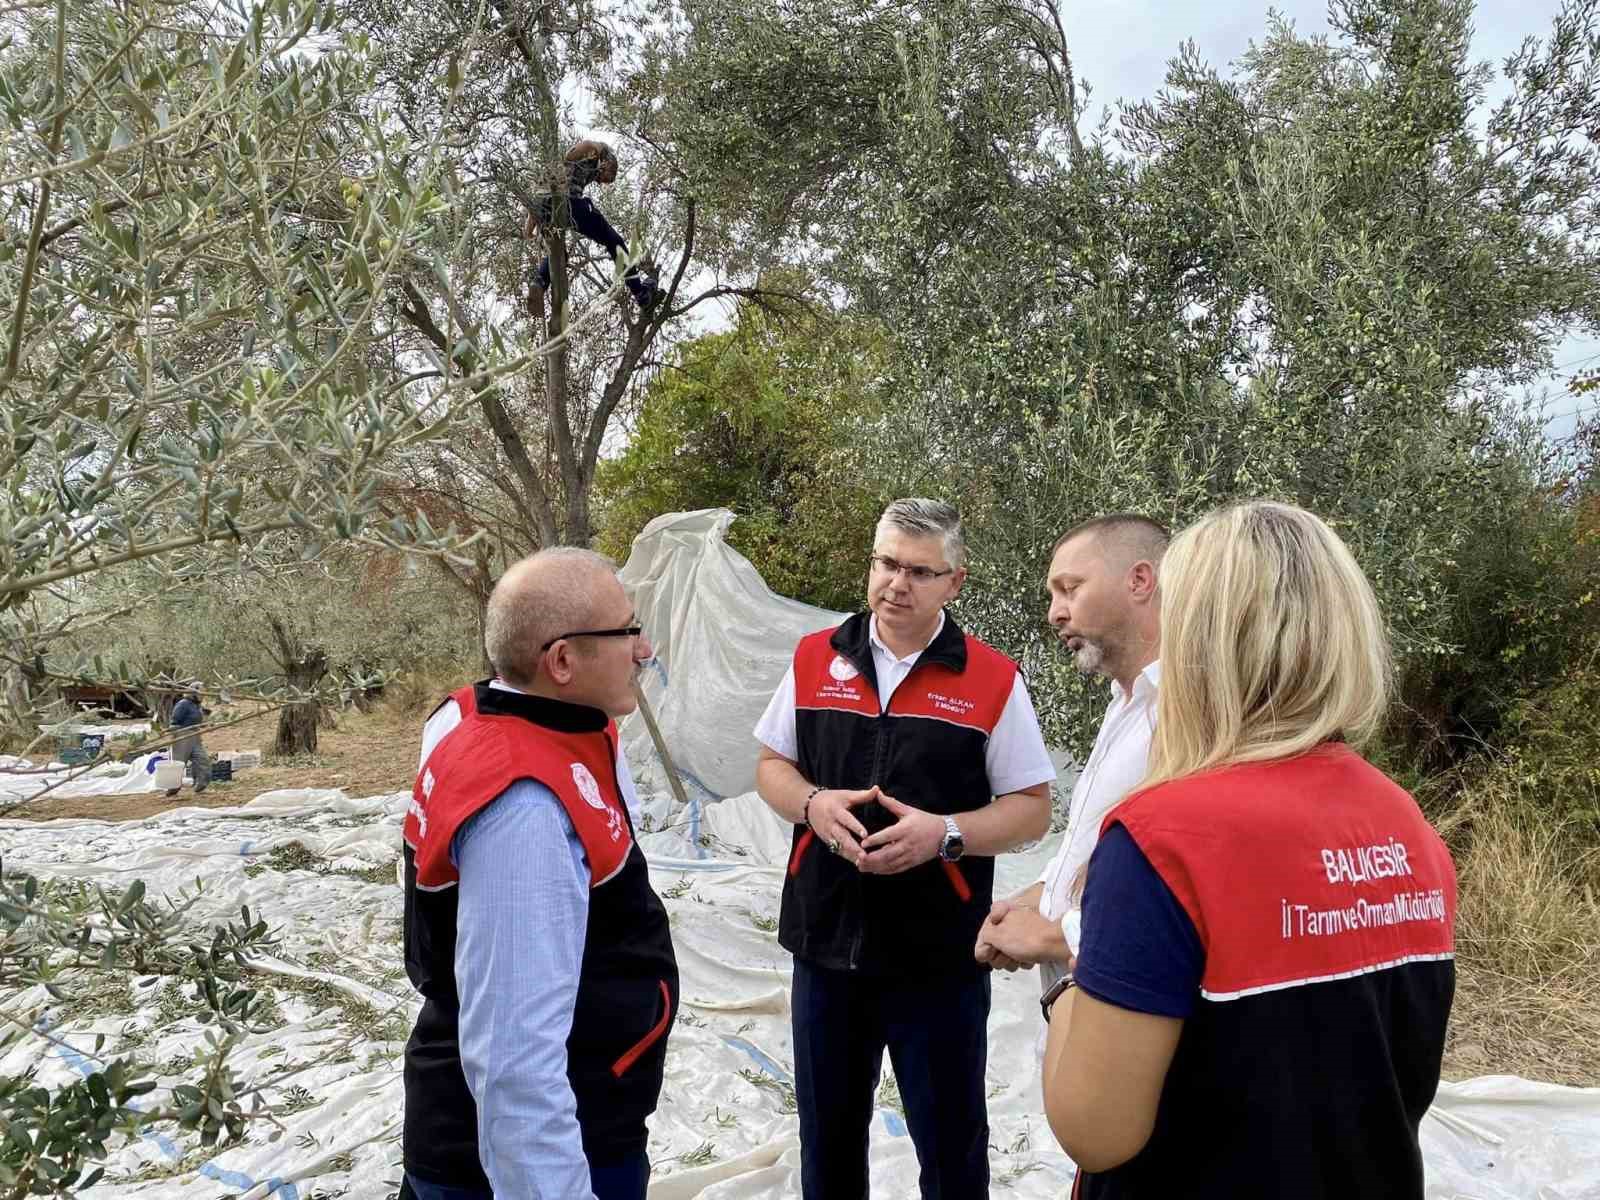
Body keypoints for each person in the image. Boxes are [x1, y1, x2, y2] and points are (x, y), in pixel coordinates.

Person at [1040, 501, 1457, 1199]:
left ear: (1199, 633)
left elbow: (1095, 1130)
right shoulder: (1405, 821)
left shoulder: (1160, 837)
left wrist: (1067, 976)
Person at [753, 498, 1057, 1199]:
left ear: (955, 582)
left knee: (951, 1146)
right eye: (888, 563)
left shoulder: (991, 679)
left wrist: (945, 833)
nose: (898, 583)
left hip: (938, 955)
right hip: (825, 944)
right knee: (827, 1143)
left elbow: (1032, 809)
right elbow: (771, 766)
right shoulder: (814, 658)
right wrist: (811, 803)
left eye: (921, 572)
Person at [399, 548, 677, 1200]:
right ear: (561, 662)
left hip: (585, 1113)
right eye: (627, 631)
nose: (644, 648)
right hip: (540, 1150)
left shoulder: (527, 721)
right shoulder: (524, 807)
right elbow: (515, 1064)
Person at [973, 516, 1166, 1007]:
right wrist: (1038, 895)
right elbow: (1093, 842)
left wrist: (1052, 937)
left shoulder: (1187, 712)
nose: (1055, 613)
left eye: (1070, 589)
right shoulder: (1126, 703)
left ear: (1139, 581)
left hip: (1130, 1004)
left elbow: (1180, 882)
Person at [525, 139, 663, 316]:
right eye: (605, 178)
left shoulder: (563, 170)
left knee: (559, 254)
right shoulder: (594, 152)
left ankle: (538, 284)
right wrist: (597, 149)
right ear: (608, 163)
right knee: (614, 241)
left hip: (544, 208)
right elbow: (572, 154)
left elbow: (538, 192)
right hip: (567, 203)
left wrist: (529, 228)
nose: (599, 182)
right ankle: (640, 293)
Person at [167, 681, 210, 796]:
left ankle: (200, 785)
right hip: (182, 736)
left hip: (195, 735)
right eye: (201, 693)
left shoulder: (197, 705)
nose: (202, 696)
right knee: (178, 763)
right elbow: (174, 721)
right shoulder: (183, 704)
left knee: (202, 759)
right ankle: (173, 788)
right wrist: (175, 733)